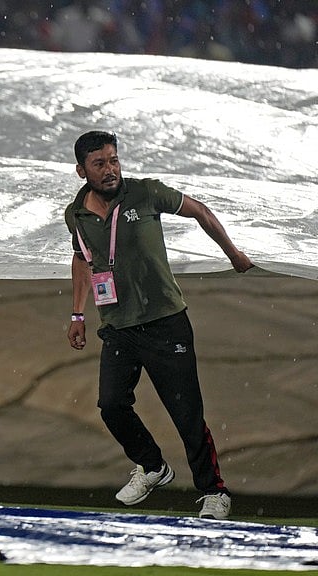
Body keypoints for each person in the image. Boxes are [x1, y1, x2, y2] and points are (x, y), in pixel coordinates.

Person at [64, 130, 253, 520]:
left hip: (166, 322)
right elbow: (83, 260)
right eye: (99, 163)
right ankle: (152, 466)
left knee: (186, 414)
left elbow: (199, 210)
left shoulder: (145, 192)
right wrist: (78, 314)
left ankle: (215, 492)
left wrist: (233, 253)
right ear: (81, 171)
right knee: (112, 406)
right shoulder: (76, 213)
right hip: (118, 327)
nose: (111, 169)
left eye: (114, 159)